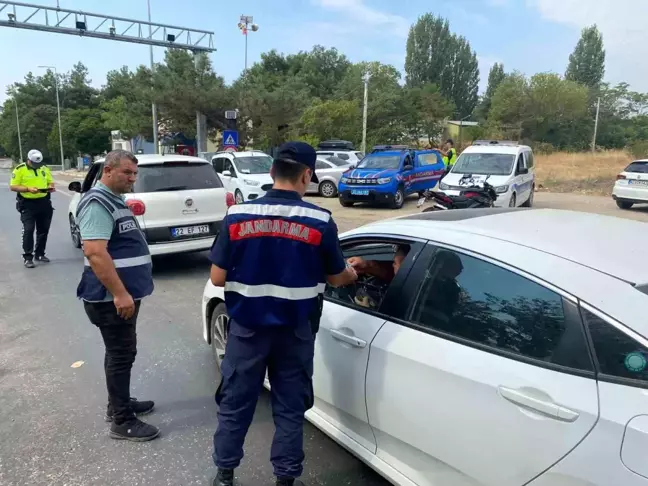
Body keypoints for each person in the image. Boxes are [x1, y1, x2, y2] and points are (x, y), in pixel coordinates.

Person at [208, 141, 358, 486]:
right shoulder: (320, 220)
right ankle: (286, 480)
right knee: (289, 410)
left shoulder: (237, 216)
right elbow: (337, 276)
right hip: (296, 332)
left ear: (273, 172)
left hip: (246, 332)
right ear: (306, 175)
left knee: (236, 405)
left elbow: (217, 278)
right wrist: (351, 272)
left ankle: (225, 475)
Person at [76, 149, 159, 442]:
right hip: (109, 298)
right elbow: (95, 253)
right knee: (122, 355)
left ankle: (118, 404)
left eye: (135, 174)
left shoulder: (113, 200)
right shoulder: (98, 203)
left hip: (118, 296)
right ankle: (122, 421)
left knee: (120, 353)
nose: (132, 179)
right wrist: (120, 293)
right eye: (127, 173)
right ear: (108, 171)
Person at [9, 149, 55, 268]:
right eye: (34, 163)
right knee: (29, 230)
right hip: (27, 204)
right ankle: (28, 257)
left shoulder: (44, 168)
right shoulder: (20, 169)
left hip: (44, 202)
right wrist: (28, 189)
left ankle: (39, 253)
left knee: (43, 230)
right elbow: (13, 186)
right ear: (28, 160)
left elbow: (50, 182)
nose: (37, 166)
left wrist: (50, 187)